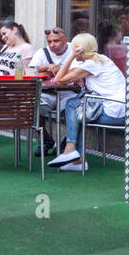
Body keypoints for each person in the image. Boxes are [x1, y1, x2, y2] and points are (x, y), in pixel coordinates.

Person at [47, 32, 127, 173]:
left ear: (81, 49)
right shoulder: (100, 60)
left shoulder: (92, 64)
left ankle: (72, 151)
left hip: (115, 113)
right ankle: (75, 158)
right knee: (78, 111)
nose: (72, 50)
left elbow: (59, 79)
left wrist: (71, 56)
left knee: (73, 105)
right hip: (120, 109)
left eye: (74, 48)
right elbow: (69, 73)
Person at [29, 25, 76, 158]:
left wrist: (52, 71)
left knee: (71, 110)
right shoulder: (42, 52)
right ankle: (45, 138)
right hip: (48, 93)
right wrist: (48, 67)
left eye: (56, 41)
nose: (52, 45)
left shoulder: (74, 50)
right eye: (49, 41)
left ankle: (67, 141)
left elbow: (79, 70)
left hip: (69, 93)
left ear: (65, 40)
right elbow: (31, 71)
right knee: (31, 107)